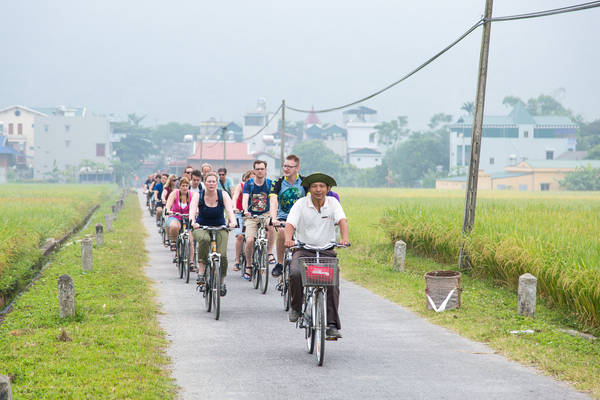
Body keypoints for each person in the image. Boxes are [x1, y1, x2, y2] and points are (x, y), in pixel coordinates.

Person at [284, 173, 349, 339]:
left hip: (326, 249)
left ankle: (332, 324)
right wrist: (288, 239)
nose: (318, 190)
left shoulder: (333, 203)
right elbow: (290, 223)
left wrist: (345, 238)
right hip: (304, 249)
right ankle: (296, 307)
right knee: (296, 273)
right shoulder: (301, 204)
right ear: (309, 189)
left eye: (321, 186)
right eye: (314, 186)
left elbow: (342, 220)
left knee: (332, 283)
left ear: (328, 189)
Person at [189, 172, 236, 295]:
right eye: (209, 181)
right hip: (201, 227)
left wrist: (233, 222)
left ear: (217, 183)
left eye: (213, 181)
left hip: (220, 227)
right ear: (204, 183)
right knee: (204, 240)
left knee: (223, 255)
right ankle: (201, 271)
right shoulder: (198, 195)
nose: (211, 184)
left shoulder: (223, 194)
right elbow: (192, 211)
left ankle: (221, 282)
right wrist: (193, 222)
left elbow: (230, 210)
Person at [269, 154, 305, 277]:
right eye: (284, 166)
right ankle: (279, 263)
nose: (286, 169)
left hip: (300, 219)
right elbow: (273, 201)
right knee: (282, 232)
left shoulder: (305, 182)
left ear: (297, 167)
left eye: (290, 166)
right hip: (283, 218)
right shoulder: (278, 182)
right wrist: (274, 218)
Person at [242, 160, 274, 280]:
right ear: (254, 170)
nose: (260, 171)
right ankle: (248, 266)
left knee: (271, 225)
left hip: (266, 214)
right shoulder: (249, 184)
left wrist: (273, 214)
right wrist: (245, 210)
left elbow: (273, 199)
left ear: (265, 170)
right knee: (250, 240)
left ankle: (270, 253)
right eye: (258, 169)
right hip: (252, 216)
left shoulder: (270, 184)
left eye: (262, 169)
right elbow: (245, 199)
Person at [231, 170, 255, 271]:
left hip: (251, 214)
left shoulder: (255, 187)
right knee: (240, 235)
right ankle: (237, 261)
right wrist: (235, 207)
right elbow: (235, 197)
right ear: (246, 178)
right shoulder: (240, 186)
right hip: (240, 213)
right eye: (251, 178)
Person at [165, 177, 192, 252]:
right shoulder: (174, 193)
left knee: (192, 238)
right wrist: (168, 210)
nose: (185, 188)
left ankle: (191, 259)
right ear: (179, 186)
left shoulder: (191, 194)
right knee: (174, 226)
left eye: (186, 186)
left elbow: (196, 205)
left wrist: (196, 211)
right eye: (183, 185)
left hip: (187, 217)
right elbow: (169, 203)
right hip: (175, 216)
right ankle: (173, 242)